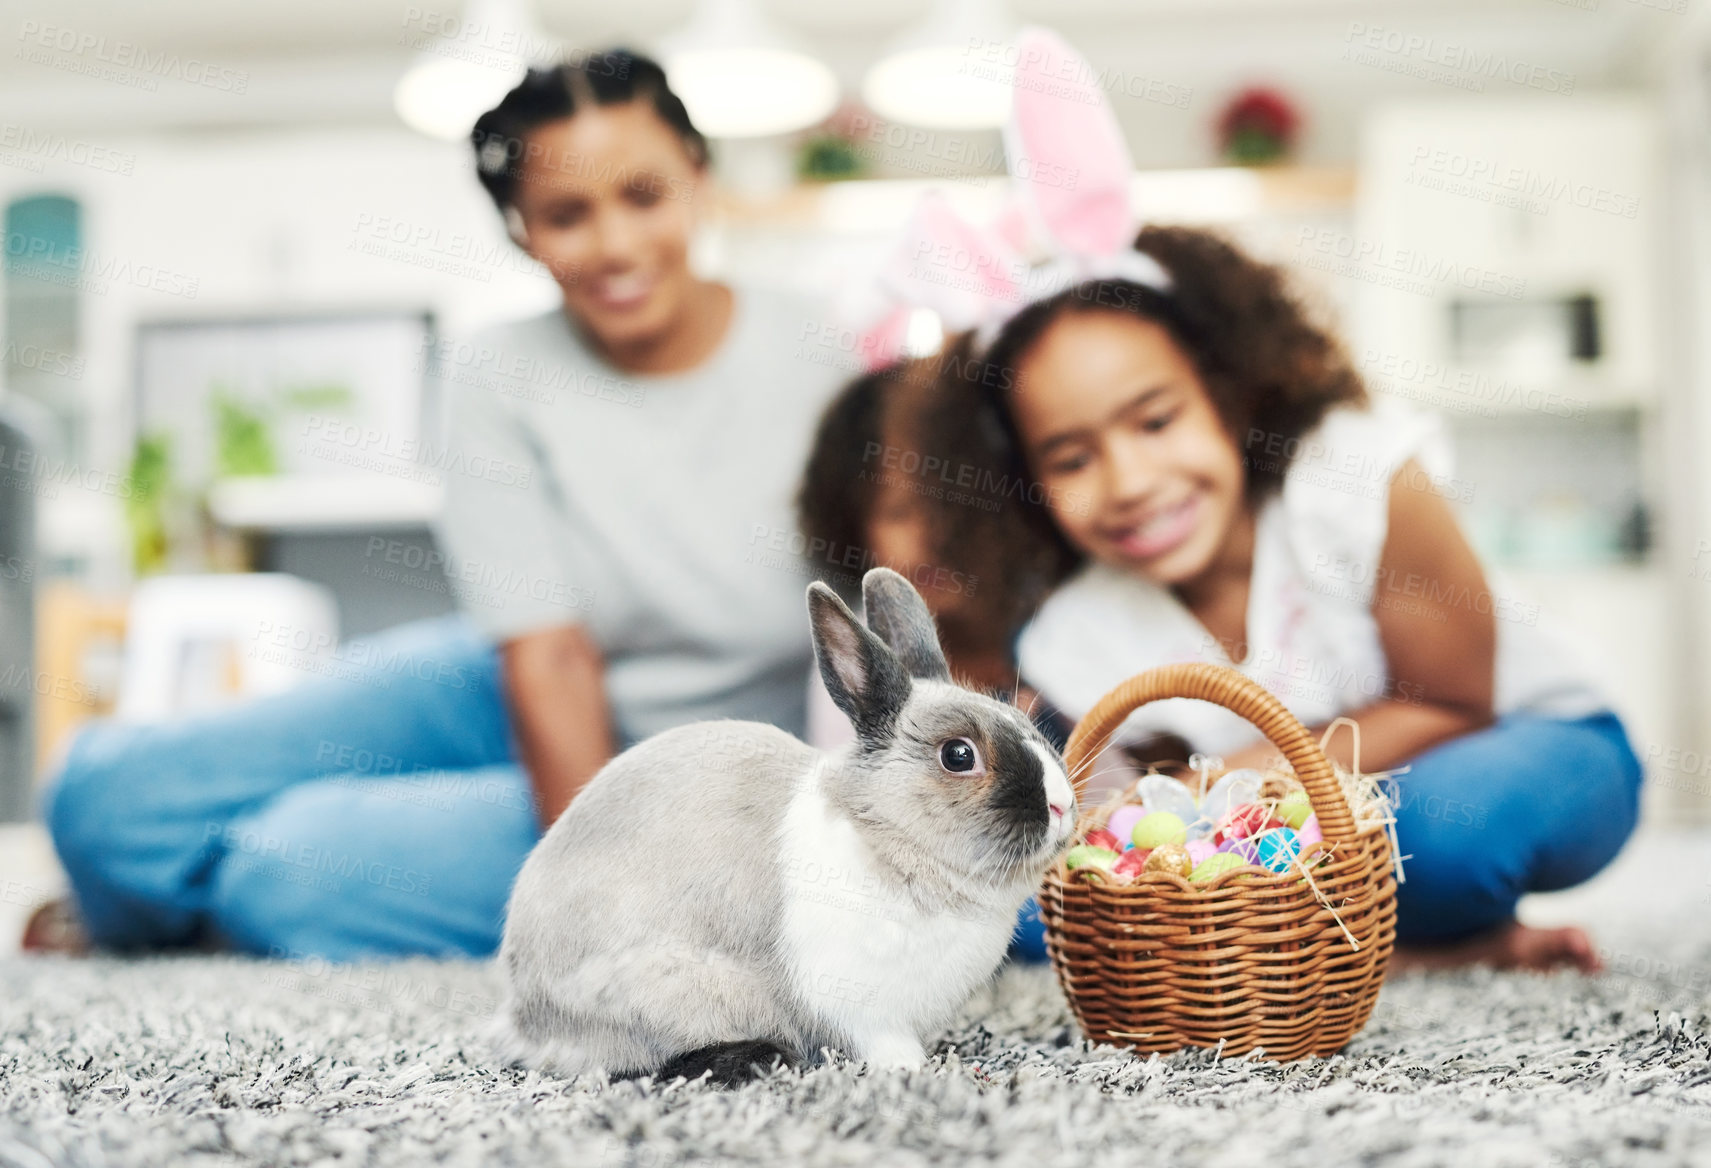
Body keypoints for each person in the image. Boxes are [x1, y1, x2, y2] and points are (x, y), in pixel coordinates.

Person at [37, 50, 847, 961]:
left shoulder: (832, 351)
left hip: (698, 765)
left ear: (699, 181)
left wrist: (625, 900)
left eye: (643, 195)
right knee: (101, 804)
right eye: (567, 214)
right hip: (510, 688)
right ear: (519, 230)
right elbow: (546, 658)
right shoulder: (493, 370)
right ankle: (155, 902)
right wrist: (599, 888)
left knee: (282, 872)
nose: (615, 244)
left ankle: (184, 909)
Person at [958, 225, 1641, 973]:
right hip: (1301, 816)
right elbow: (1161, 812)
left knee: (1440, 842)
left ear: (1229, 395)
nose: (1128, 482)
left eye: (1156, 420)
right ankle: (1424, 953)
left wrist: (1215, 786)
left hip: (1521, 743)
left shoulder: (1354, 475)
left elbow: (1450, 704)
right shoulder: (1071, 628)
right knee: (1037, 904)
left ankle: (1396, 921)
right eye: (1071, 459)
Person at [793, 342, 1073, 961]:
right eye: (897, 510)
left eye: (949, 506)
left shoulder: (1057, 631)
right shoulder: (867, 657)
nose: (927, 538)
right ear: (852, 523)